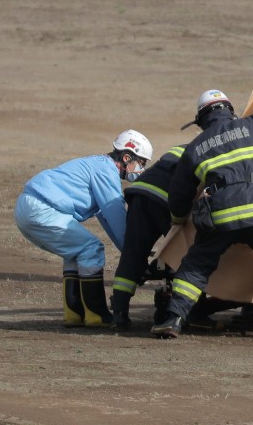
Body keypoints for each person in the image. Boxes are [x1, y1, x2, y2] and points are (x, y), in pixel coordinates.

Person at [152, 66, 253, 340]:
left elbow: (179, 195)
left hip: (219, 214)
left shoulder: (195, 147)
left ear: (202, 120)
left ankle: (173, 319)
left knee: (197, 265)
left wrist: (177, 220)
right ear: (229, 110)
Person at [15, 129, 153, 327]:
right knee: (91, 249)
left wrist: (128, 250)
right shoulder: (106, 171)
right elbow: (115, 214)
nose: (141, 169)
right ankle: (98, 315)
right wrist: (136, 255)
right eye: (141, 162)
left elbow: (107, 219)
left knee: (75, 253)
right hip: (41, 209)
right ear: (126, 157)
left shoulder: (98, 165)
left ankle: (75, 315)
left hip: (28, 207)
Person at [109, 143, 185, 330]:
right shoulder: (216, 149)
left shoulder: (186, 146)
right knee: (184, 253)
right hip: (166, 199)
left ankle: (119, 312)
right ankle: (178, 308)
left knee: (132, 254)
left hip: (140, 193)